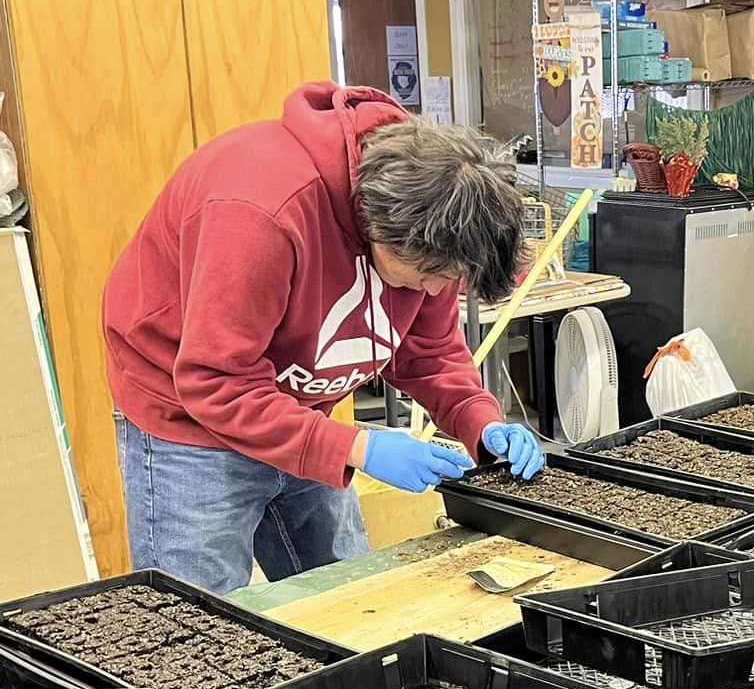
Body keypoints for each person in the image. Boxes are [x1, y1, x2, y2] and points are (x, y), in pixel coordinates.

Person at [101, 82, 546, 595]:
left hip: (298, 405)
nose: (435, 290)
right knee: (200, 622)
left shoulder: (436, 229)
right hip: (187, 419)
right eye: (428, 274)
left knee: (348, 600)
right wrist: (357, 446)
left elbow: (431, 352)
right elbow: (214, 380)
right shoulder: (260, 209)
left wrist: (481, 421)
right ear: (380, 229)